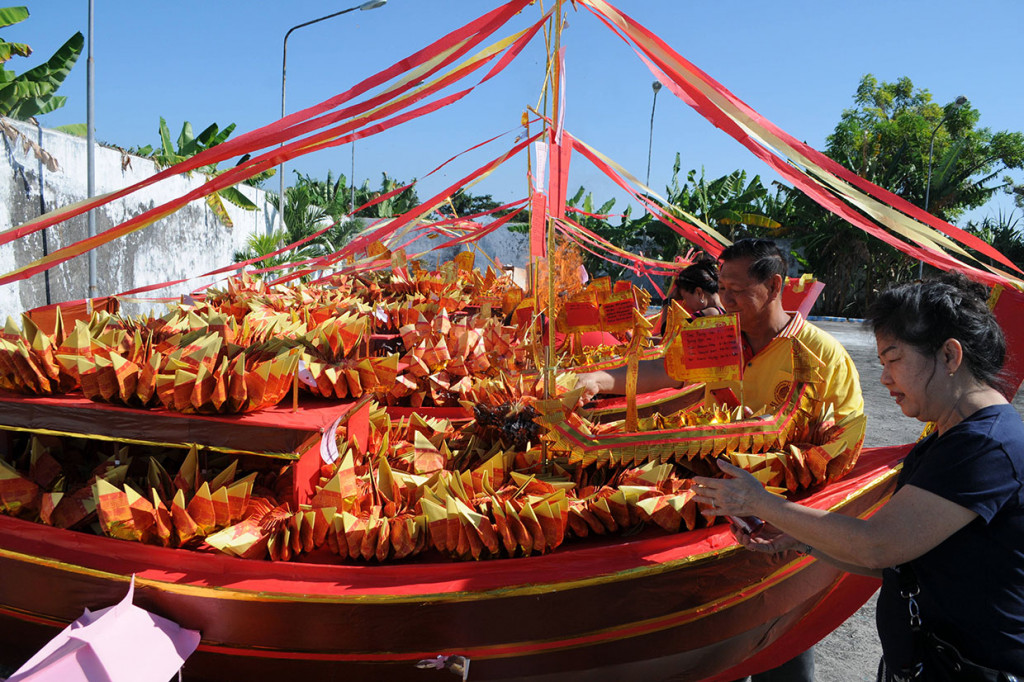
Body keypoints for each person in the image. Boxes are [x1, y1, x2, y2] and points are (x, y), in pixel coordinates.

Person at [693, 274, 1024, 680]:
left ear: (950, 356)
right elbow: (903, 562)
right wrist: (801, 541)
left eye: (893, 359)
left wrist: (759, 502)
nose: (884, 378)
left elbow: (878, 547)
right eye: (882, 363)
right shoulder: (951, 436)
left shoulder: (985, 446)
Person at [578, 238, 864, 681]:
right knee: (717, 640)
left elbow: (841, 445)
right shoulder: (717, 336)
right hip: (712, 514)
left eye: (735, 290)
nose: (723, 301)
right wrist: (597, 378)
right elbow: (663, 369)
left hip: (782, 520)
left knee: (779, 634)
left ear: (773, 286)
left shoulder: (822, 354)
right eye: (720, 289)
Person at [659, 252, 726, 334]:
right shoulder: (725, 309)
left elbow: (668, 334)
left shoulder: (709, 314)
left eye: (685, 298)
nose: (686, 304)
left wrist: (668, 301)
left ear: (699, 293)